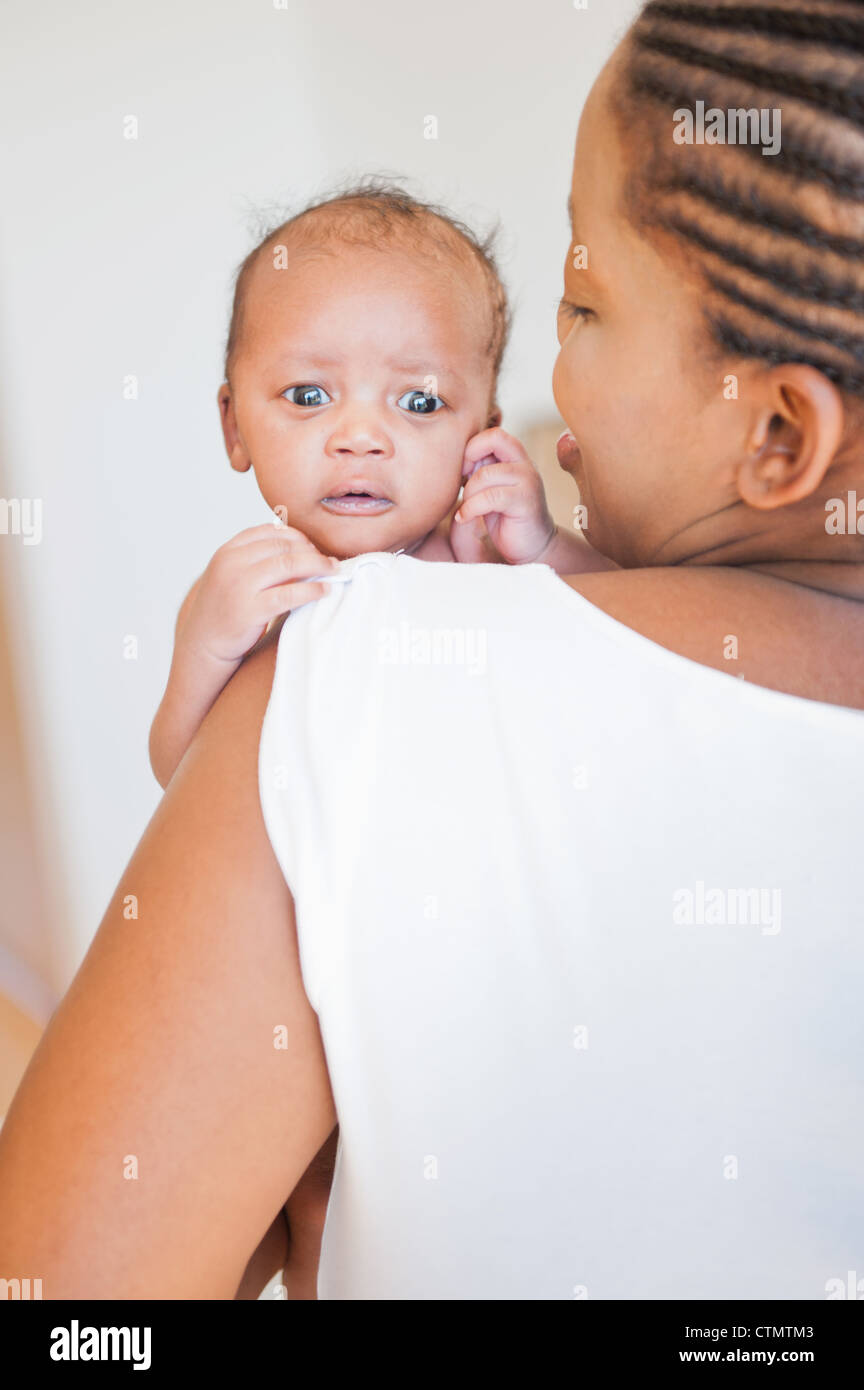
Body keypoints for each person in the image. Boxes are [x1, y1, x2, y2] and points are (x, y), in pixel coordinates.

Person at [2, 0, 864, 1298]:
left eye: (584, 303)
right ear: (233, 418)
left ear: (782, 438)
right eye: (312, 394)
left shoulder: (355, 676)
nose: (553, 379)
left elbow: (63, 1304)